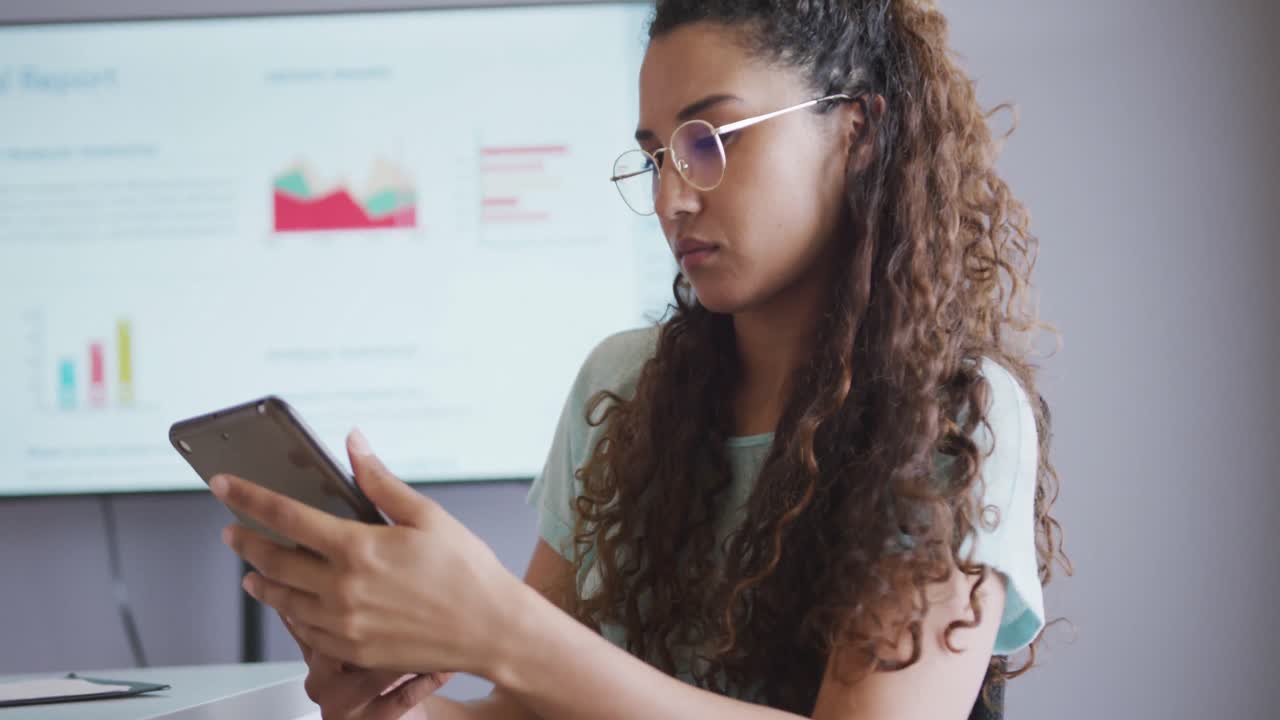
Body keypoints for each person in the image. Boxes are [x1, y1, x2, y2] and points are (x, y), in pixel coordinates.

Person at [212, 1, 1067, 718]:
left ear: (858, 133)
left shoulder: (953, 415)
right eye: (657, 152)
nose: (670, 196)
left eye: (713, 139)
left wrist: (498, 626)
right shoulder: (621, 386)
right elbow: (528, 715)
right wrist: (389, 703)